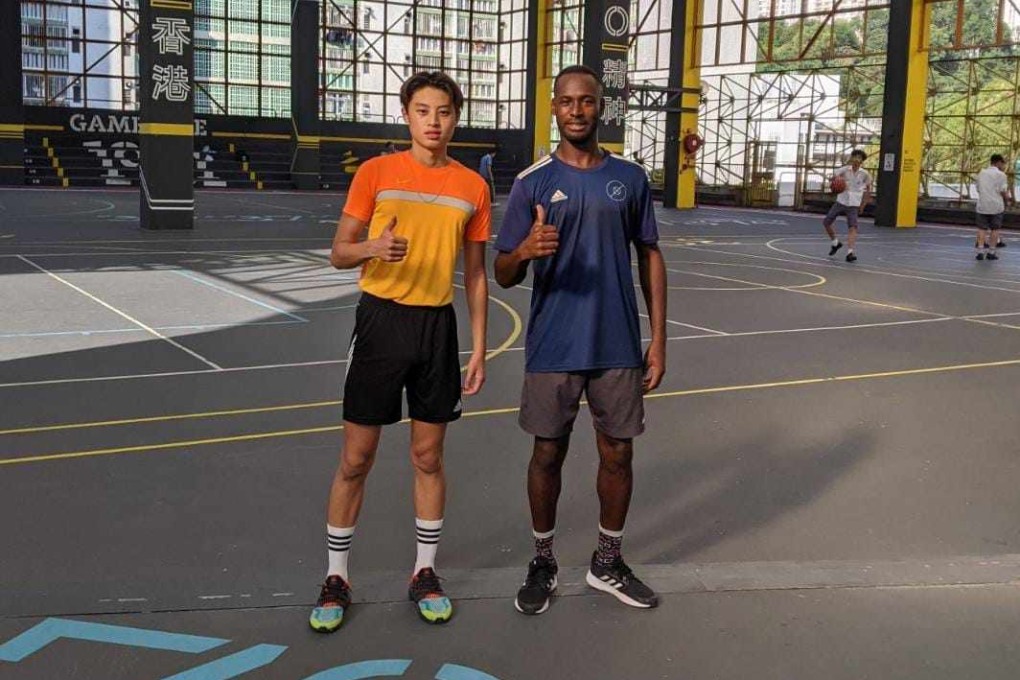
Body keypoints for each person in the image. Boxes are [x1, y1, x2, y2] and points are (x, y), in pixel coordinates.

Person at [309, 71, 491, 633]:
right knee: (356, 458)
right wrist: (372, 247)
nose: (434, 121)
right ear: (406, 115)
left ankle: (425, 572)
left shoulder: (473, 188)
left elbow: (477, 276)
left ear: (456, 118)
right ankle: (337, 576)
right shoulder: (377, 173)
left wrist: (479, 347)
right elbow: (339, 253)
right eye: (423, 110)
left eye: (444, 111)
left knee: (429, 457)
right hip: (381, 323)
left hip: (437, 329)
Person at [494, 64, 667, 615]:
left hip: (616, 341)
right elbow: (502, 272)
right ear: (553, 108)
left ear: (600, 108)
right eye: (566, 101)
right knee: (547, 452)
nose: (576, 110)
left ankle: (607, 563)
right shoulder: (532, 183)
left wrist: (658, 340)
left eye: (586, 101)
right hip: (554, 343)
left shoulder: (631, 178)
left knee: (618, 452)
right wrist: (524, 251)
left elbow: (650, 256)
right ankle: (543, 560)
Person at [824, 149, 872, 262]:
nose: (856, 159)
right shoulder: (844, 170)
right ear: (851, 158)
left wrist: (863, 204)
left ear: (862, 161)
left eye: (859, 158)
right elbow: (833, 177)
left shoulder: (865, 174)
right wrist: (834, 181)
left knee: (853, 227)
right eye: (855, 157)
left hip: (854, 204)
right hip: (841, 200)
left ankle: (850, 252)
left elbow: (868, 190)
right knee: (826, 222)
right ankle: (835, 243)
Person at [975, 153, 1010, 261]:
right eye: (1003, 163)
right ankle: (991, 252)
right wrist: (1008, 200)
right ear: (998, 162)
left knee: (982, 229)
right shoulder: (1002, 175)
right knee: (995, 229)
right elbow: (1003, 191)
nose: (1004, 166)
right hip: (996, 206)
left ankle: (980, 252)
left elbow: (978, 189)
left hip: (982, 205)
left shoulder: (981, 173)